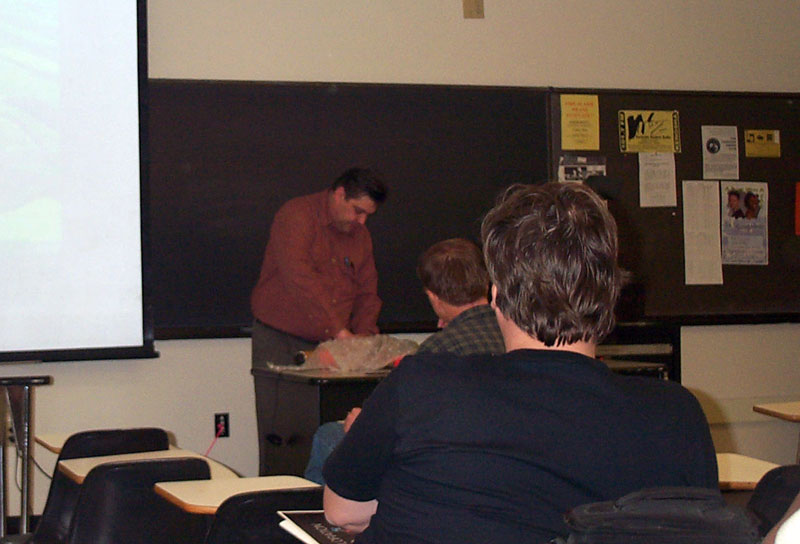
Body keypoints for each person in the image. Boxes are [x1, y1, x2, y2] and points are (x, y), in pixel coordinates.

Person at [322, 182, 718, 543]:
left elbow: (343, 512)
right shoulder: (676, 416)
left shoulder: (421, 384)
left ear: (495, 297)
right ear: (610, 296)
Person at [302, 238, 504, 484]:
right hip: (498, 461)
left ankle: (321, 509)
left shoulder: (435, 353)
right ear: (487, 283)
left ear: (433, 297)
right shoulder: (515, 334)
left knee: (329, 436)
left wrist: (363, 426)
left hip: (444, 465)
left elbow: (403, 426)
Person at [250, 167, 387, 368]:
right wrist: (340, 332)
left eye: (368, 214)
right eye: (358, 211)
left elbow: (367, 292)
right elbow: (299, 278)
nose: (362, 221)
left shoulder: (360, 235)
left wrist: (363, 338)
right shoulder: (297, 215)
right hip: (281, 340)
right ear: (340, 194)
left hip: (333, 344)